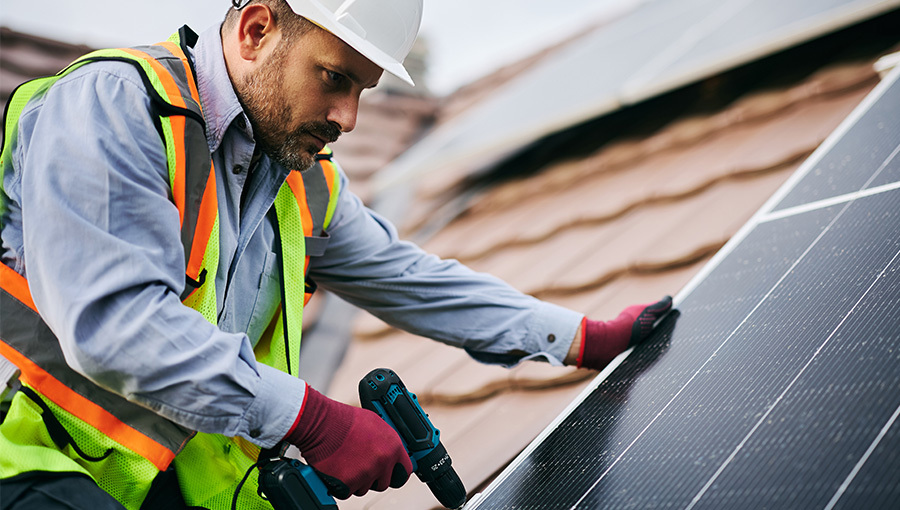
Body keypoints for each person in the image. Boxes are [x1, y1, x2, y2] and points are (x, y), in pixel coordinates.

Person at [0, 0, 672, 508]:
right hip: (27, 461)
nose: (349, 117)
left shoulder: (301, 176)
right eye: (333, 78)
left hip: (167, 487)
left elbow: (410, 280)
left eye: (362, 90)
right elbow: (114, 324)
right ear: (256, 30)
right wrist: (313, 419)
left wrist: (577, 338)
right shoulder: (115, 107)